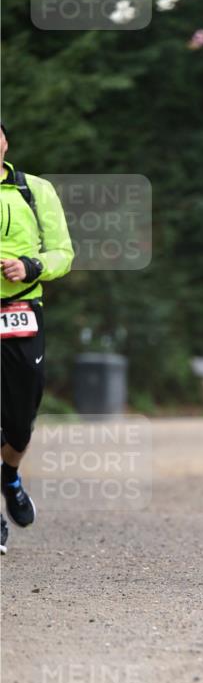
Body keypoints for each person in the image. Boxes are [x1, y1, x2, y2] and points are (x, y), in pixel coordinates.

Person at [0, 121, 74, 554]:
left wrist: (30, 266)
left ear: (5, 142)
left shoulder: (36, 191)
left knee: (20, 423)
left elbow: (64, 253)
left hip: (23, 311)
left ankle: (9, 476)